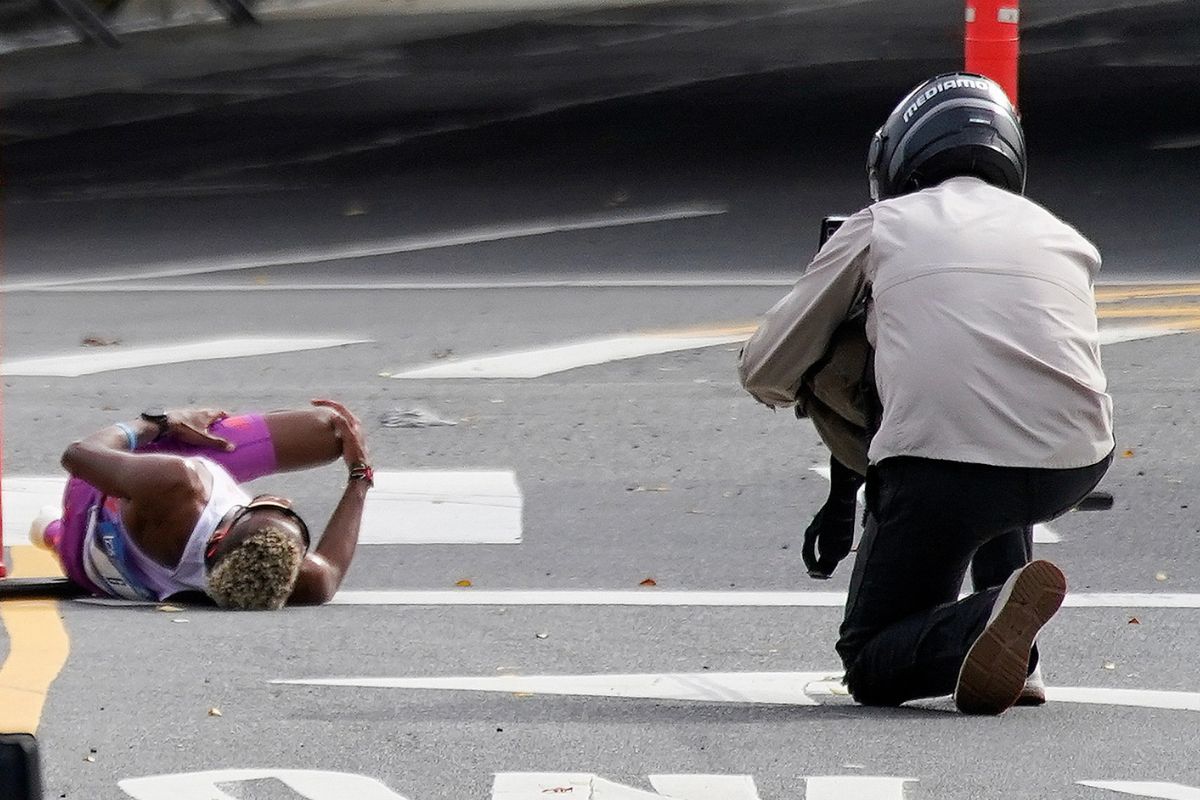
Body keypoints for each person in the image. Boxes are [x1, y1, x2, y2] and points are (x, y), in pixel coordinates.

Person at [738, 72, 1114, 714]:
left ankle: (983, 623)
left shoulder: (881, 224)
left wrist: (848, 372)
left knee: (870, 660)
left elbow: (766, 367)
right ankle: (1015, 648)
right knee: (996, 412)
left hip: (943, 472)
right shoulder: (1061, 234)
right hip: (1073, 464)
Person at [34, 399, 373, 609]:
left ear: (216, 538)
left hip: (91, 498)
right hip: (92, 570)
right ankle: (53, 534)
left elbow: (77, 455)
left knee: (326, 425)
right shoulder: (271, 581)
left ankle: (58, 532)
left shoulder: (177, 485)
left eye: (262, 506)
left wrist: (161, 422)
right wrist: (360, 477)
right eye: (288, 513)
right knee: (334, 431)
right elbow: (329, 572)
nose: (281, 499)